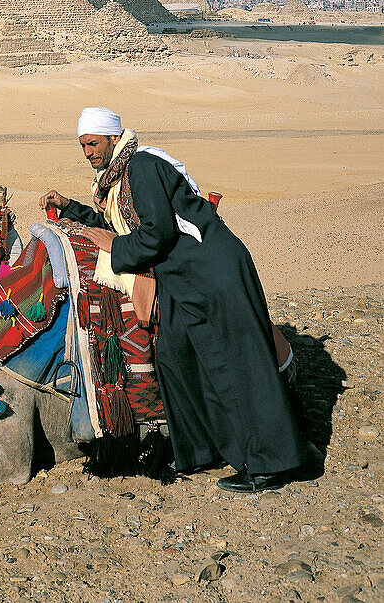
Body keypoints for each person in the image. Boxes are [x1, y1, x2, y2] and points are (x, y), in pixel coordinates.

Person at [40, 106, 307, 494]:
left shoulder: (142, 166)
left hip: (211, 272)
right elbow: (121, 226)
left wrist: (113, 253)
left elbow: (158, 233)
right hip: (184, 278)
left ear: (114, 139)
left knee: (235, 364)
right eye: (82, 146)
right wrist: (71, 209)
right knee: (173, 355)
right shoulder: (116, 179)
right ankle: (204, 450)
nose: (87, 153)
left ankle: (273, 463)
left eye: (93, 144)